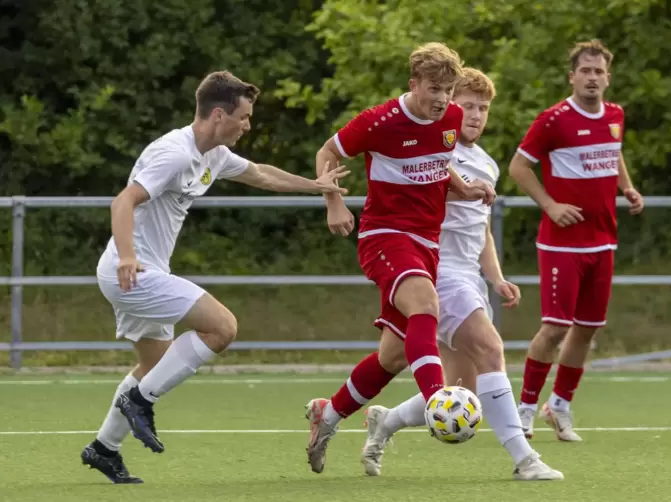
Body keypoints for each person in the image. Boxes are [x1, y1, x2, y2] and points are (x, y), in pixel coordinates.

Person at [81, 70, 348, 484]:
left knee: (153, 364)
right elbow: (123, 202)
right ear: (219, 114)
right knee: (222, 328)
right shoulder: (174, 152)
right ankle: (139, 401)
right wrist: (128, 258)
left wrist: (315, 186)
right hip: (132, 273)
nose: (248, 125)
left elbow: (260, 174)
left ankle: (103, 448)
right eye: (243, 117)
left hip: (144, 271)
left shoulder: (215, 154)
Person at [358, 68, 563, 481]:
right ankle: (525, 459)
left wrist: (497, 277)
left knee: (464, 392)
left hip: (468, 277)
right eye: (466, 105)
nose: (474, 114)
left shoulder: (486, 162)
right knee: (491, 348)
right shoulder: (437, 148)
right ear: (450, 105)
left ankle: (386, 421)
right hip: (438, 271)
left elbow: (481, 229)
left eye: (482, 108)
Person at [304, 43, 496, 474]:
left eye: (448, 89)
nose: (443, 99)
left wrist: (463, 186)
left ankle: (327, 415)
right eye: (434, 88)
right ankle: (438, 402)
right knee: (427, 304)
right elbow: (326, 152)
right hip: (385, 236)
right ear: (413, 85)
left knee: (393, 356)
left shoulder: (449, 119)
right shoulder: (380, 121)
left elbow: (439, 162)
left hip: (426, 243)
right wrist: (333, 202)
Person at [509, 40, 644, 441]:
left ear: (608, 77)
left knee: (587, 329)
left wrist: (628, 187)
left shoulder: (615, 115)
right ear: (572, 77)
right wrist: (550, 205)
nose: (592, 78)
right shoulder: (553, 120)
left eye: (598, 71)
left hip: (602, 242)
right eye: (585, 71)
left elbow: (613, 151)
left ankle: (560, 406)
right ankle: (526, 408)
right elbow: (518, 167)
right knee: (554, 328)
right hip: (561, 244)